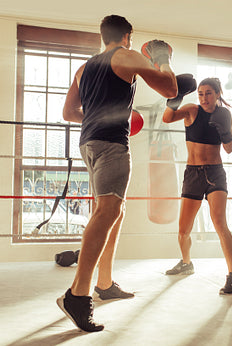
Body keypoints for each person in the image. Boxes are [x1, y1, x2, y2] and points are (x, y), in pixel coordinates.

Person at [57, 14, 177, 332]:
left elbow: (69, 112)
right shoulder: (126, 55)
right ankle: (77, 295)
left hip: (88, 144)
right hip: (111, 144)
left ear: (103, 36)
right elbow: (170, 88)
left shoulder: (85, 68)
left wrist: (97, 115)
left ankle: (105, 282)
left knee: (113, 211)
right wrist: (164, 58)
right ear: (127, 36)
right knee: (109, 210)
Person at [162, 76, 232, 295]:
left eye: (208, 93)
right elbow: (167, 118)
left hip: (215, 173)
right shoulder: (191, 111)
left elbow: (229, 148)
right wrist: (176, 97)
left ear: (218, 94)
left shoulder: (224, 114)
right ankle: (186, 263)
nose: (204, 98)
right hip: (193, 174)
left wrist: (225, 131)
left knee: (219, 222)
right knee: (183, 231)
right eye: (200, 93)